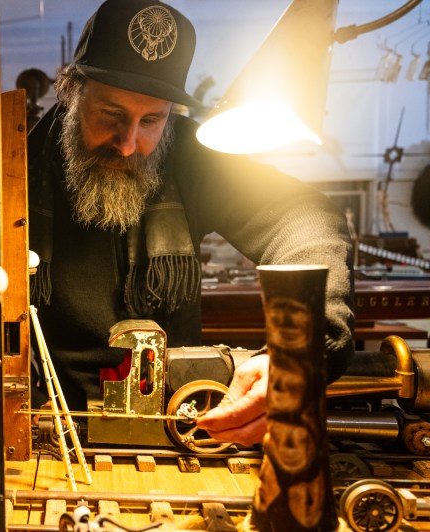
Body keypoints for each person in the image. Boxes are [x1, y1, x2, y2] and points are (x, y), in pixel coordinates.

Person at [26, 0, 356, 446]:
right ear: (71, 91)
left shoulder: (189, 159)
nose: (128, 144)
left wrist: (303, 348)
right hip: (42, 431)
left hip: (175, 429)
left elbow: (306, 216)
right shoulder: (17, 165)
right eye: (111, 115)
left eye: (151, 120)